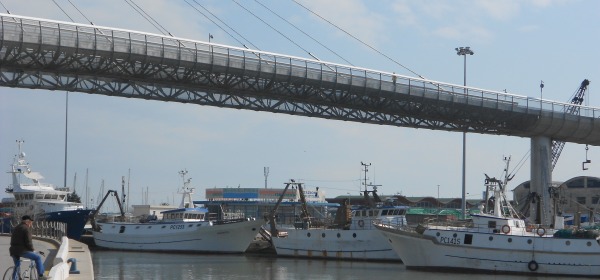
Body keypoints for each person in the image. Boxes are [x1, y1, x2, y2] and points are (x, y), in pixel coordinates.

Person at [9, 215, 46, 280]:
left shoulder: (17, 227)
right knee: (38, 258)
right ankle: (41, 275)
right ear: (28, 222)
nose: (31, 224)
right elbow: (28, 242)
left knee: (17, 265)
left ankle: (14, 278)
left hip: (13, 251)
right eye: (31, 222)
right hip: (22, 251)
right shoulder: (26, 229)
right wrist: (32, 250)